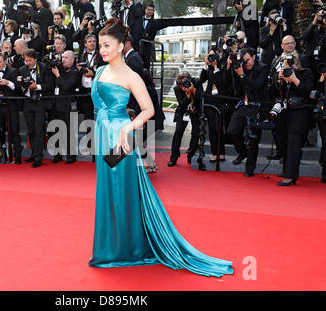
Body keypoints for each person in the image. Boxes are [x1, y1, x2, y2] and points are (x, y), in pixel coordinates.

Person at [89, 17, 233, 277]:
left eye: (107, 45)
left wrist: (128, 127)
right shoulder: (101, 71)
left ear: (122, 46)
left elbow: (150, 110)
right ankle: (108, 247)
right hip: (103, 135)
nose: (102, 50)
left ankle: (126, 249)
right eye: (100, 45)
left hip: (121, 140)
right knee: (107, 192)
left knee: (121, 190)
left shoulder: (131, 76)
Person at [270, 53, 315, 186]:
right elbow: (274, 91)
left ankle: (290, 176)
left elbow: (307, 91)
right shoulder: (283, 73)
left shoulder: (306, 73)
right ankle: (287, 170)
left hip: (299, 111)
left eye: (292, 63)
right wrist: (279, 80)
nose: (290, 65)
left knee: (293, 142)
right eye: (287, 63)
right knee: (281, 139)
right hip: (284, 111)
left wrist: (295, 79)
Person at [226, 47, 269, 177]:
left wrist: (242, 75)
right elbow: (235, 89)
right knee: (231, 131)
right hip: (243, 105)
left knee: (253, 138)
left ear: (254, 57)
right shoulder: (241, 69)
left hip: (258, 106)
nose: (247, 63)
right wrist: (231, 71)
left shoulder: (262, 68)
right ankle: (242, 152)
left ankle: (250, 166)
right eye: (244, 61)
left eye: (248, 60)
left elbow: (257, 85)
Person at [167, 72, 202, 167]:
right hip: (183, 111)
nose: (185, 82)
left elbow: (200, 99)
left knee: (195, 133)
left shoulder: (196, 84)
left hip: (196, 111)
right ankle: (174, 156)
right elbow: (181, 104)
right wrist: (187, 94)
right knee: (178, 132)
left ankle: (191, 154)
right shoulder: (177, 88)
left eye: (187, 79)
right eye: (182, 79)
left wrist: (193, 90)